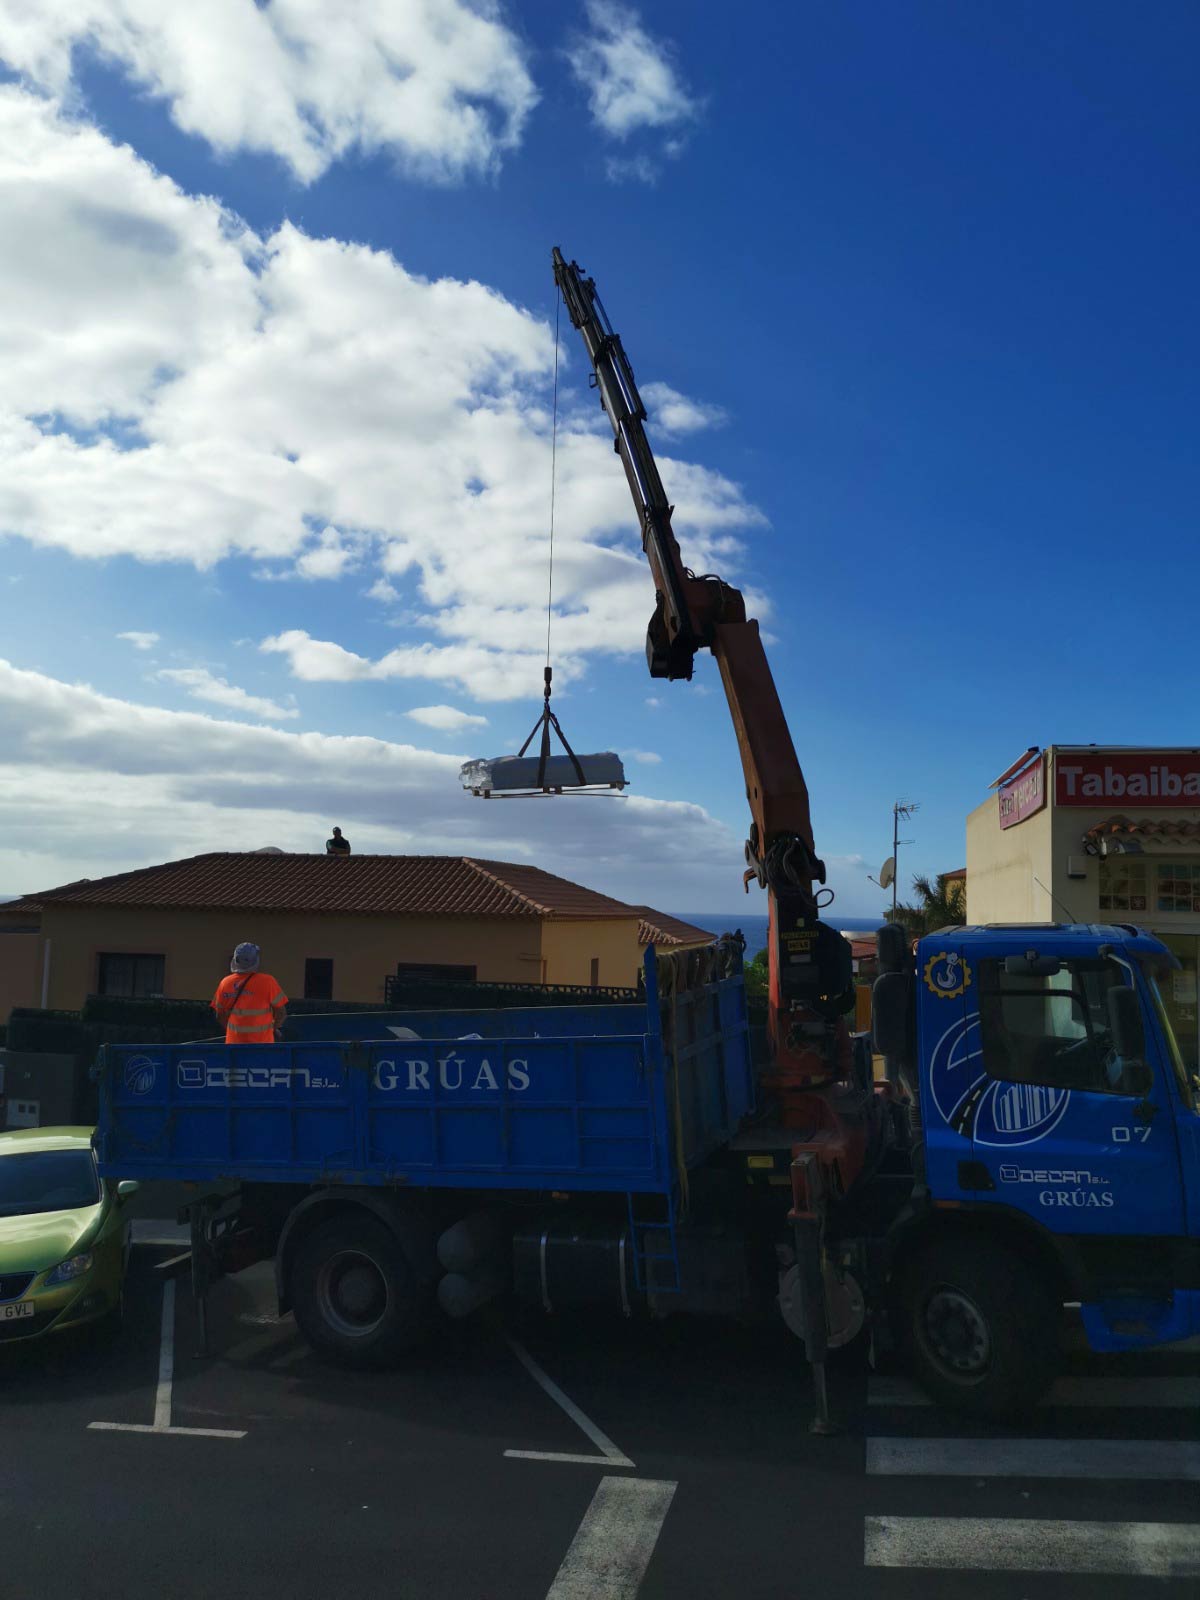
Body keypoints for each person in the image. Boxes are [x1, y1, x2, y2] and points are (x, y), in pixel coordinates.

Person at [212, 943, 288, 1044]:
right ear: (256, 961)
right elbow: (281, 1013)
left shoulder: (225, 983)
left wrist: (235, 1031)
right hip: (262, 1046)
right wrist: (272, 1029)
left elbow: (219, 1016)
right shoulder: (268, 982)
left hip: (234, 1045)